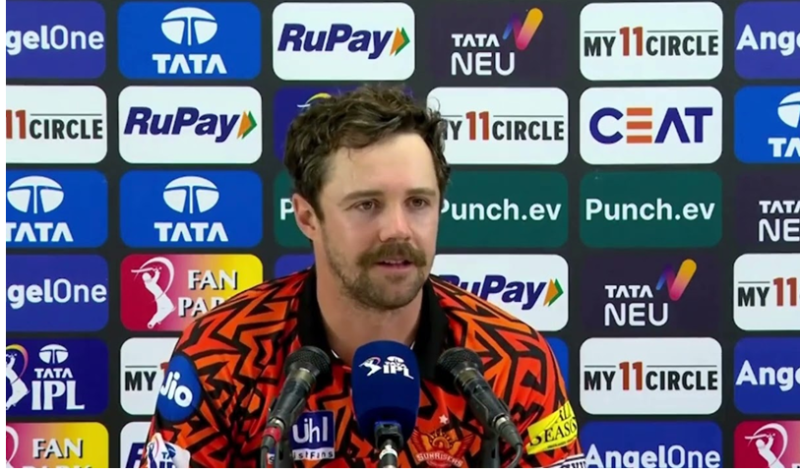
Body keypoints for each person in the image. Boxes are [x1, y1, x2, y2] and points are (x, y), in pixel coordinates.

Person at [141, 85, 585, 468]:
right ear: (307, 217)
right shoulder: (219, 355)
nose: (397, 229)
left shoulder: (513, 361)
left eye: (418, 202)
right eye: (367, 205)